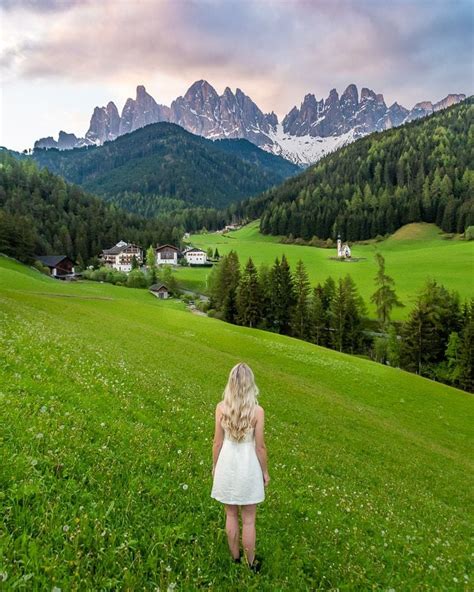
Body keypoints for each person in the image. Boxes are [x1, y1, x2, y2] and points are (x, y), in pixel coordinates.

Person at [210, 362, 270, 573]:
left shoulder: (221, 408)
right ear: (249, 384)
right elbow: (260, 446)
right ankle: (250, 563)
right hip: (248, 466)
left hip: (227, 462)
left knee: (230, 514)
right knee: (249, 519)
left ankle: (235, 558)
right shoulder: (257, 411)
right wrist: (265, 472)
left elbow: (217, 442)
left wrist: (214, 466)